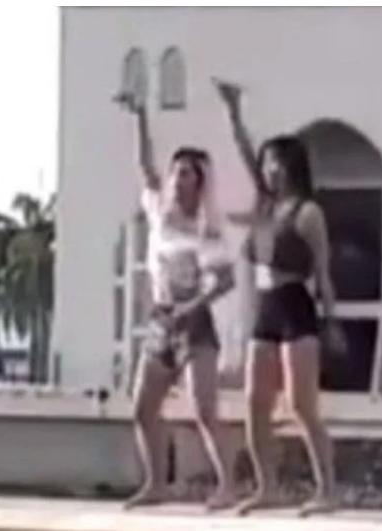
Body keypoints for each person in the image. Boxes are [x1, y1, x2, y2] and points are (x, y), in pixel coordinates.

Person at [214, 78, 347, 517]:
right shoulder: (266, 206)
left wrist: (332, 322)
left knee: (301, 405)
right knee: (255, 402)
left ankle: (327, 488)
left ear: (290, 166)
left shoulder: (308, 213)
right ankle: (266, 486)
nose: (268, 170)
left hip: (295, 307)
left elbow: (323, 272)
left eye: (275, 163)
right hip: (265, 307)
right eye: (266, 163)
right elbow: (244, 150)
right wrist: (233, 112)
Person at [115, 91, 237, 511]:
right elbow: (144, 167)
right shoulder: (158, 212)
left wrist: (193, 305)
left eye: (186, 173)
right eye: (176, 171)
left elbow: (226, 280)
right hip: (162, 320)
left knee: (204, 409)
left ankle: (228, 485)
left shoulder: (206, 227)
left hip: (195, 323)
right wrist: (140, 115)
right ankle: (156, 484)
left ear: (199, 182)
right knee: (142, 407)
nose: (177, 178)